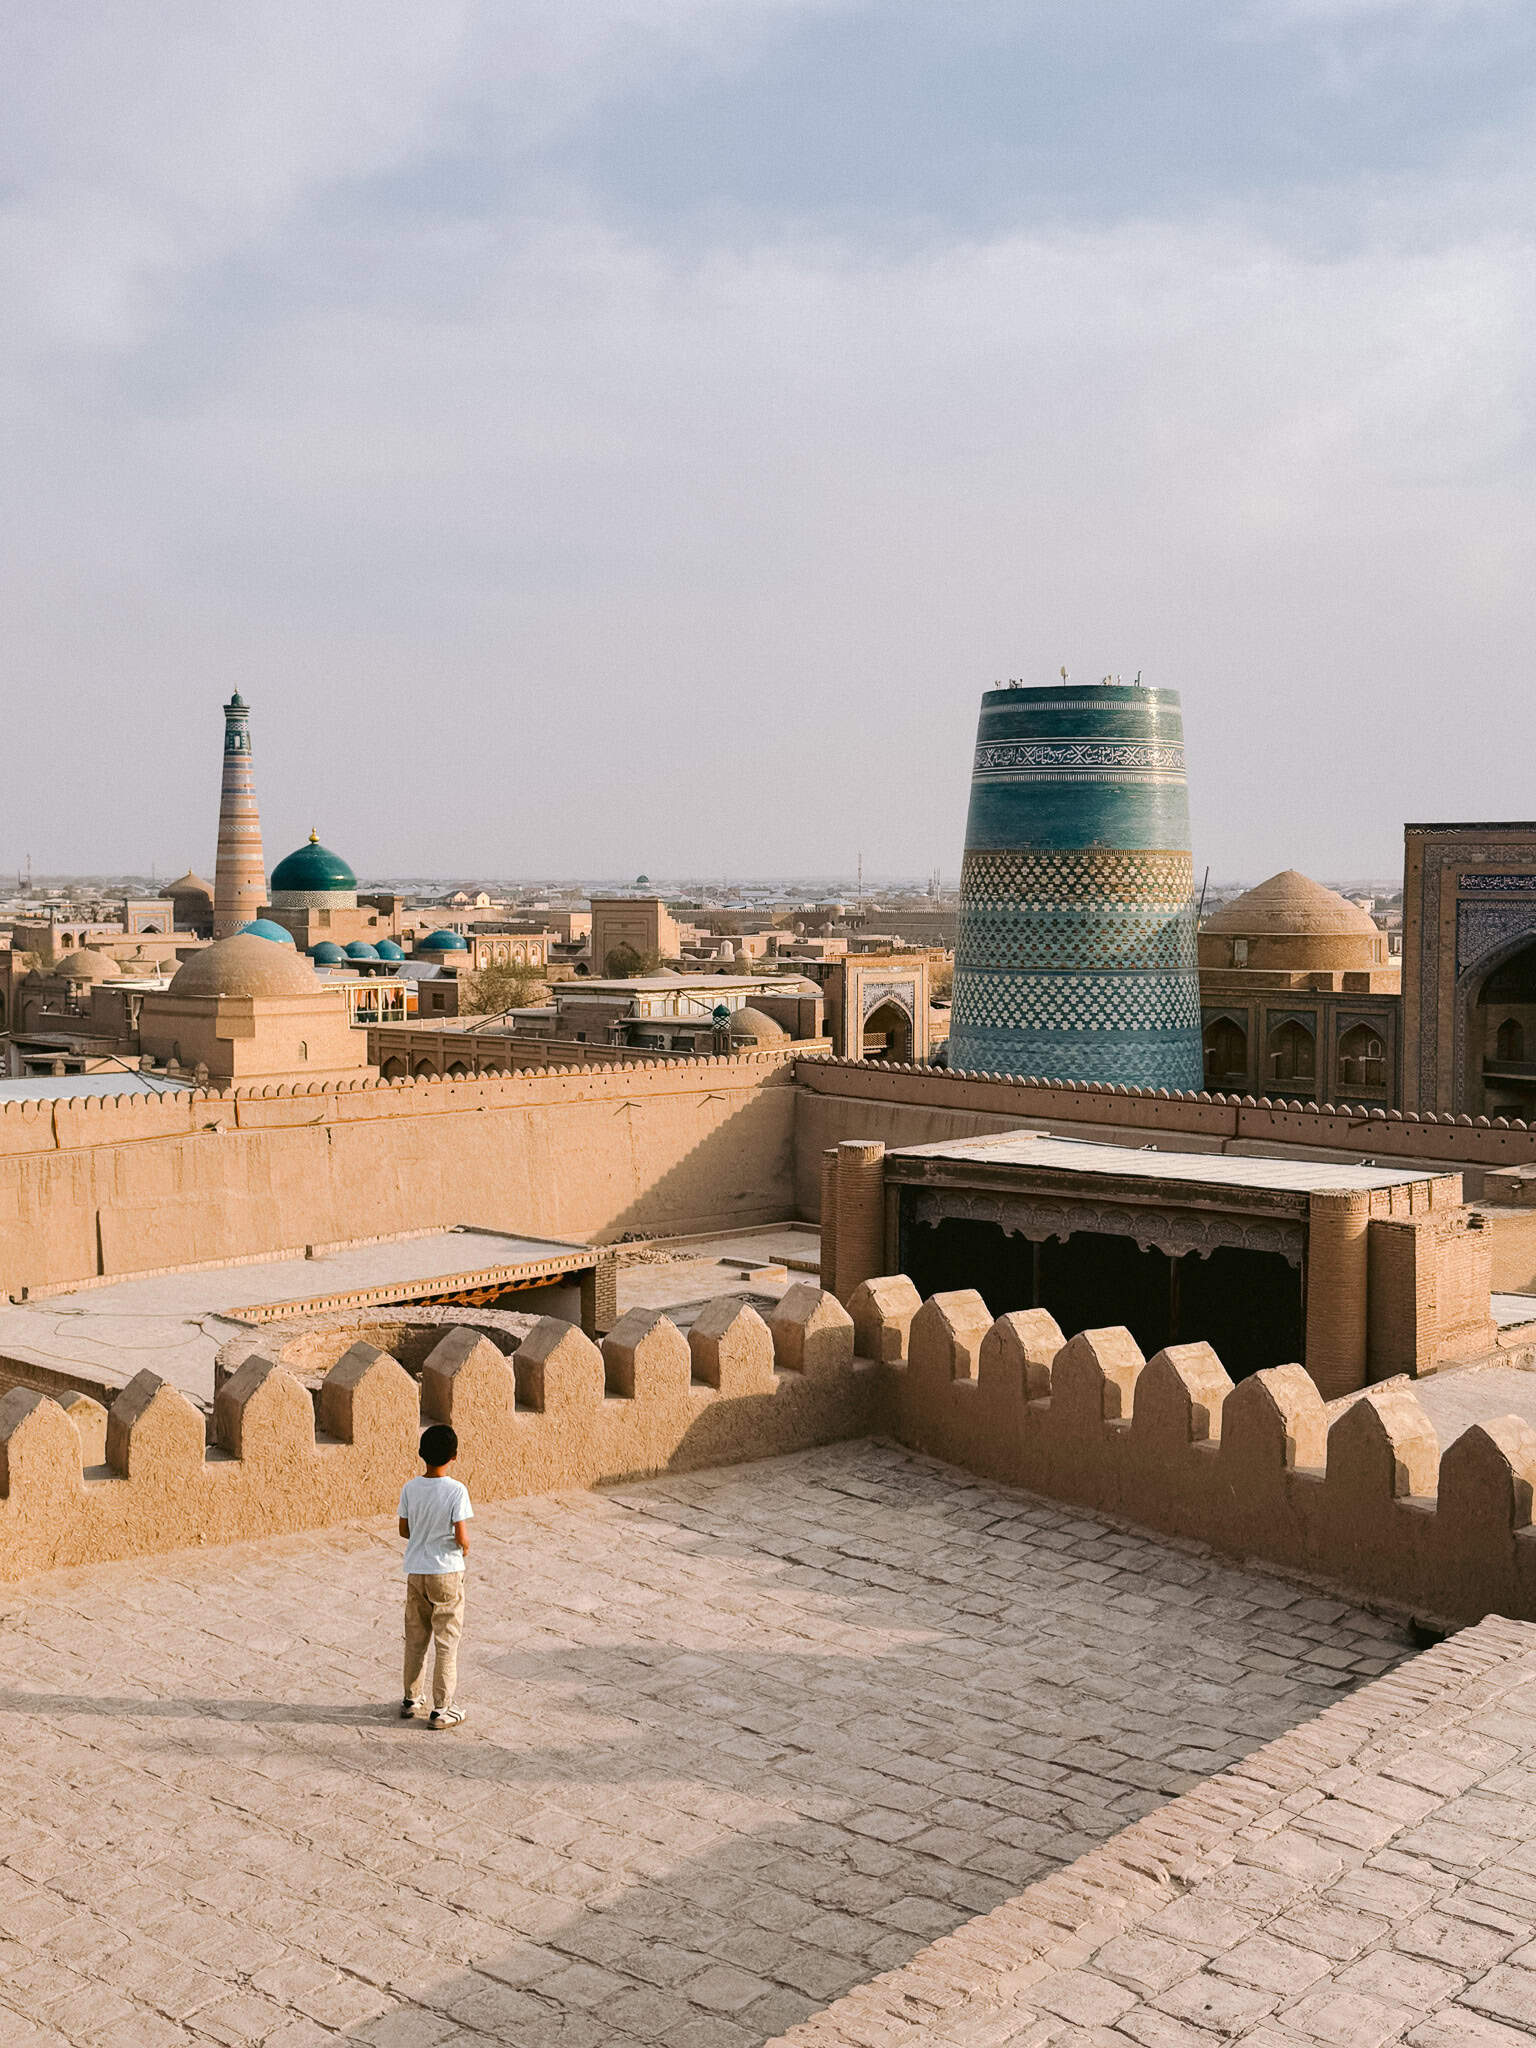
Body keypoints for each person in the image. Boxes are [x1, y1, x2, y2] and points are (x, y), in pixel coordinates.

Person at [398, 1423, 472, 1729]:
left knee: (416, 1638)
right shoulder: (456, 1490)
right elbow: (461, 1536)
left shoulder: (410, 1488)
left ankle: (411, 1698)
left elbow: (404, 1530)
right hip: (446, 1572)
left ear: (421, 1454)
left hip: (417, 1572)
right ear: (454, 1456)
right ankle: (443, 1708)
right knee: (446, 1641)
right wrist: (464, 1549)